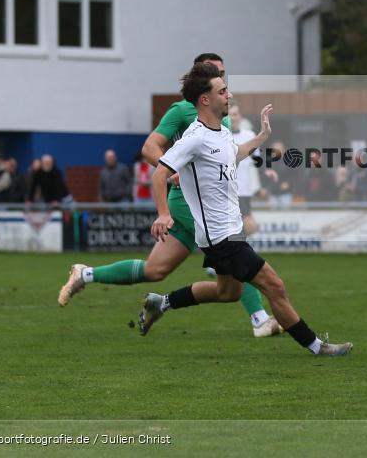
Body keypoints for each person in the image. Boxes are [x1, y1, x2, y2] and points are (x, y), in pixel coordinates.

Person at [57, 53, 280, 339]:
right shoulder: (183, 110)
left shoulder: (220, 118)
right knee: (233, 250)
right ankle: (260, 319)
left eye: (223, 74)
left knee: (156, 270)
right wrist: (171, 170)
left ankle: (87, 275)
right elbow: (150, 147)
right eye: (216, 73)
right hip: (188, 202)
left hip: (200, 203)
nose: (222, 79)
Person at [139, 62, 352, 356]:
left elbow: (234, 154)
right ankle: (318, 347)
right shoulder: (195, 137)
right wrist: (164, 213)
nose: (229, 95)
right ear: (205, 99)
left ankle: (161, 302)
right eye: (222, 91)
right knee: (274, 285)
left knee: (229, 292)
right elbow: (159, 173)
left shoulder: (222, 132)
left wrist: (262, 135)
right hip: (221, 238)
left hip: (231, 232)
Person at [228, 102, 261, 234]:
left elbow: (258, 160)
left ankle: (236, 252)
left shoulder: (249, 135)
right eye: (229, 115)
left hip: (245, 191)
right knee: (248, 226)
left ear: (240, 116)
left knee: (243, 229)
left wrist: (268, 172)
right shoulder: (221, 136)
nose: (233, 118)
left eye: (235, 114)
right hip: (229, 191)